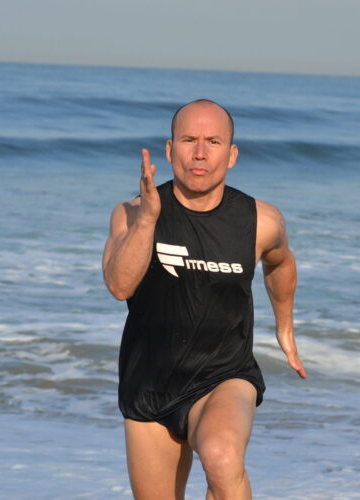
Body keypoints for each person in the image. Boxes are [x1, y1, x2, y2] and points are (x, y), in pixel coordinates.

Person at [102, 99, 306, 500]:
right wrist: (147, 221)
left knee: (222, 455)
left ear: (231, 155)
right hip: (149, 386)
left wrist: (285, 328)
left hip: (224, 376)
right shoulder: (131, 213)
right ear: (169, 149)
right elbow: (119, 285)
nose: (199, 152)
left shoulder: (261, 221)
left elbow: (280, 264)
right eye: (188, 139)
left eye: (213, 141)